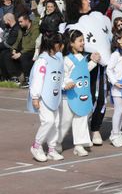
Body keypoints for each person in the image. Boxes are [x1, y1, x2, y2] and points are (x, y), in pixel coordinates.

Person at [64, 0, 110, 146]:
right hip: (86, 68)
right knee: (87, 97)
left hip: (101, 65)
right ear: (78, 5)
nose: (89, 1)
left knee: (102, 98)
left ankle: (95, 128)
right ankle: (78, 130)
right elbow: (73, 49)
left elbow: (105, 1)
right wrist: (89, 57)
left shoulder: (95, 14)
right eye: (85, 0)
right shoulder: (73, 25)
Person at [57, 30, 100, 157]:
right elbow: (63, 75)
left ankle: (79, 145)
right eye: (80, 41)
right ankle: (56, 142)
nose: (83, 43)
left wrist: (94, 62)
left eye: (83, 40)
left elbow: (84, 71)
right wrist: (67, 83)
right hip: (68, 96)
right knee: (65, 121)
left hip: (81, 95)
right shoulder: (65, 59)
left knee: (81, 117)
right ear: (71, 43)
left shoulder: (82, 58)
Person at [28, 33, 65, 162]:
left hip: (55, 96)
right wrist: (35, 97)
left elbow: (60, 77)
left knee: (55, 123)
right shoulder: (43, 60)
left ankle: (51, 149)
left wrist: (65, 84)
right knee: (48, 121)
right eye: (60, 43)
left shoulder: (59, 58)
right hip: (44, 97)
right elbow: (38, 79)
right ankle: (36, 146)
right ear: (54, 44)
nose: (62, 46)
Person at [9, 13, 40, 86]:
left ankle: (28, 78)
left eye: (21, 21)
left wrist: (20, 53)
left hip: (33, 50)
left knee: (24, 57)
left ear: (27, 20)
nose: (19, 24)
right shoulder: (21, 29)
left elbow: (33, 44)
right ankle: (15, 77)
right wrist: (13, 49)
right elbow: (17, 41)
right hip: (23, 49)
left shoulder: (35, 28)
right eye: (19, 22)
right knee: (7, 55)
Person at [0, 13, 20, 80]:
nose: (5, 23)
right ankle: (4, 77)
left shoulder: (16, 28)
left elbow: (9, 43)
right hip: (9, 48)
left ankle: (13, 77)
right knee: (2, 53)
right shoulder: (9, 28)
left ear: (9, 20)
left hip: (16, 48)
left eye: (5, 21)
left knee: (5, 55)